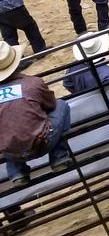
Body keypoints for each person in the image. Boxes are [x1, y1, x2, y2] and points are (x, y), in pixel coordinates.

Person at [0, 41, 72, 186]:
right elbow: (51, 104)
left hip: (9, 151)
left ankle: (17, 172)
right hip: (41, 144)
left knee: (7, 127)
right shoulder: (32, 83)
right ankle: (59, 157)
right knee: (61, 105)